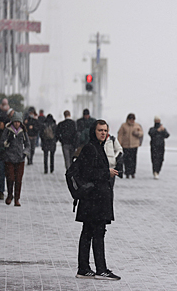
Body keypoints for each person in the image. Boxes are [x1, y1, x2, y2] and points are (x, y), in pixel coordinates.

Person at [75, 119, 121, 280]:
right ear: (93, 132)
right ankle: (99, 269)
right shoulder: (90, 148)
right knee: (96, 233)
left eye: (105, 130)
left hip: (96, 199)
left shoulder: (98, 147)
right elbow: (87, 173)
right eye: (100, 130)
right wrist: (106, 173)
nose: (103, 133)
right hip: (93, 200)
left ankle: (84, 268)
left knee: (89, 232)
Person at [1, 112, 30, 206]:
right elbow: (2, 143)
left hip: (20, 158)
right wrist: (8, 141)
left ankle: (17, 199)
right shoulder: (8, 130)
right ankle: (10, 195)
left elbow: (28, 145)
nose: (17, 124)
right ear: (12, 122)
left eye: (18, 122)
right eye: (15, 122)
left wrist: (25, 153)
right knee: (10, 178)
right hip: (9, 158)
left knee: (18, 180)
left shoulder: (23, 131)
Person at [117, 113, 143, 179]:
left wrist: (137, 133)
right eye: (130, 119)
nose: (132, 121)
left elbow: (141, 133)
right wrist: (119, 144)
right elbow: (120, 135)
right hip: (125, 145)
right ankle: (127, 172)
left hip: (134, 145)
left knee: (133, 159)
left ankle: (133, 172)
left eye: (133, 119)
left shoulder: (137, 125)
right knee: (126, 160)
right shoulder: (123, 126)